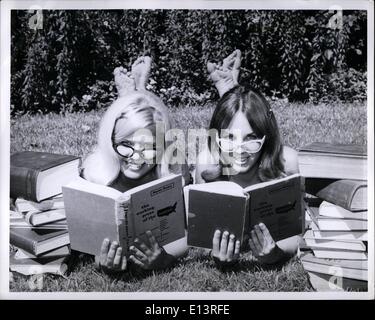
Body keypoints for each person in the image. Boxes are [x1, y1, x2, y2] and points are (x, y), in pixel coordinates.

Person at [82, 56, 189, 273]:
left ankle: (137, 92)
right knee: (136, 121)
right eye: (125, 145)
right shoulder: (94, 172)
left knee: (154, 117)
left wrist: (164, 259)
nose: (136, 158)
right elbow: (87, 238)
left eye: (149, 149)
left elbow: (184, 235)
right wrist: (100, 260)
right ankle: (132, 94)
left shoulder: (173, 170)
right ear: (110, 142)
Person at [194, 50, 300, 267]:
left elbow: (297, 232)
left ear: (265, 139)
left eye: (251, 139)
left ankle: (231, 93)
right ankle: (230, 93)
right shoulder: (207, 162)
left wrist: (275, 254)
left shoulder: (286, 162)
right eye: (229, 138)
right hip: (218, 161)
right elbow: (199, 238)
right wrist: (216, 257)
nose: (240, 151)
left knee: (244, 114)